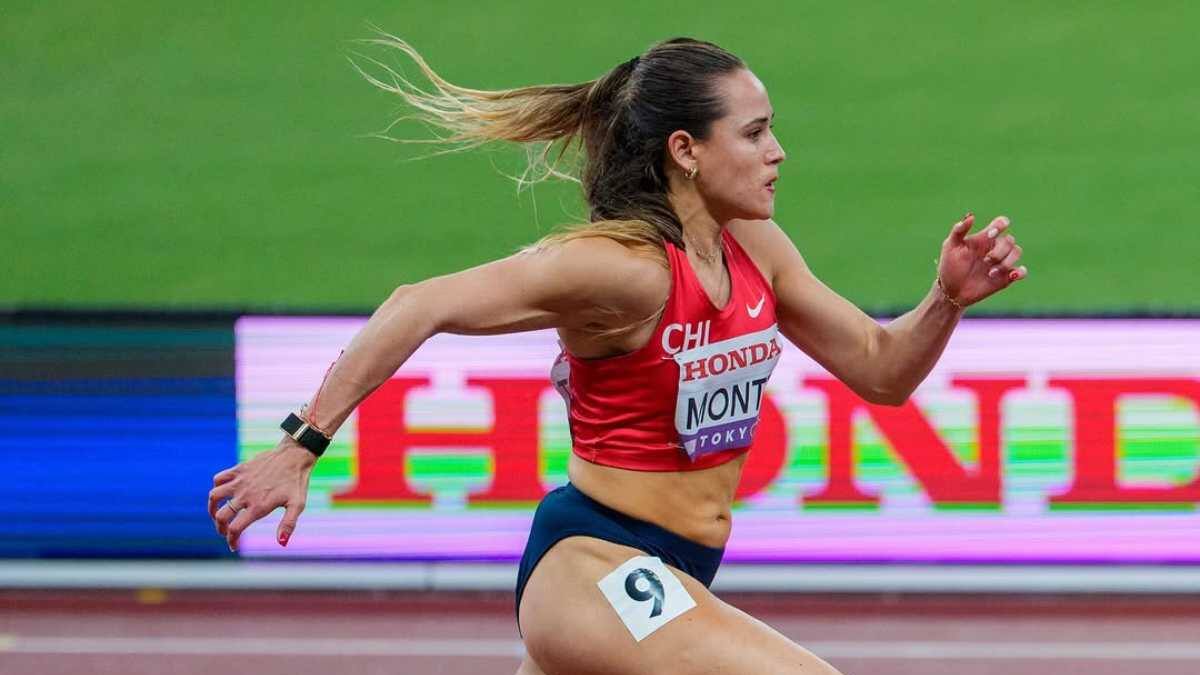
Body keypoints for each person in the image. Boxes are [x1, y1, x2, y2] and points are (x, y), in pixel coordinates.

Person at [208, 34, 1026, 675]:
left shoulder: (757, 248)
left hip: (674, 574)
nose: (779, 151)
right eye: (756, 132)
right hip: (596, 567)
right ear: (686, 150)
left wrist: (945, 299)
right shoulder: (623, 270)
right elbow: (418, 304)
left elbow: (882, 369)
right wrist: (300, 445)